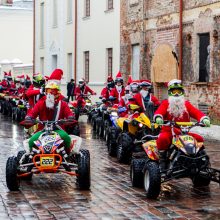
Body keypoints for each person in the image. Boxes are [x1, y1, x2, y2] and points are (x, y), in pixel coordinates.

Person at [153, 79, 211, 169]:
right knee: (162, 139)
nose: (176, 93)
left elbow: (196, 112)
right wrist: (158, 117)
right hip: (169, 131)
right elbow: (159, 112)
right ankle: (163, 160)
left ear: (182, 92)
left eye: (178, 91)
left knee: (199, 138)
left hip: (184, 132)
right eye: (174, 91)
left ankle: (201, 160)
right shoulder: (165, 103)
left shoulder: (186, 104)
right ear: (170, 92)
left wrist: (203, 118)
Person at [24, 69, 75, 152]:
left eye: (53, 91)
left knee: (67, 138)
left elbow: (69, 113)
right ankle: (29, 157)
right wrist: (29, 117)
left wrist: (70, 117)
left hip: (58, 129)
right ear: (45, 92)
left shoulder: (63, 104)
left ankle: (68, 156)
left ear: (58, 92)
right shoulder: (41, 103)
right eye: (48, 91)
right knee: (31, 141)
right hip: (42, 129)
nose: (51, 93)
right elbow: (33, 113)